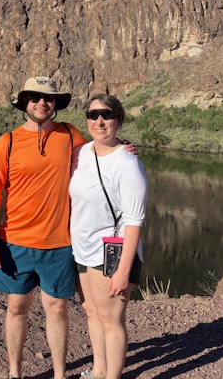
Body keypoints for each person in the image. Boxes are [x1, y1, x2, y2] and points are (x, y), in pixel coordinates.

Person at [0, 75, 87, 379]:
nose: (43, 102)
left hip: (59, 243)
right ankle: (15, 373)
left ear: (55, 104)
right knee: (16, 308)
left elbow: (97, 160)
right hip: (14, 243)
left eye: (49, 98)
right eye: (36, 97)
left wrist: (121, 148)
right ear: (25, 102)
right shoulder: (8, 142)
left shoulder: (69, 135)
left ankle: (59, 375)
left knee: (57, 309)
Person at [69, 94, 148, 379]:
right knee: (91, 311)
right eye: (93, 115)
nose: (99, 121)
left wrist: (123, 271)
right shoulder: (81, 153)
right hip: (83, 249)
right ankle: (99, 370)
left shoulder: (127, 164)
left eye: (107, 114)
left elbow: (135, 221)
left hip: (111, 253)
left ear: (119, 119)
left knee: (111, 319)